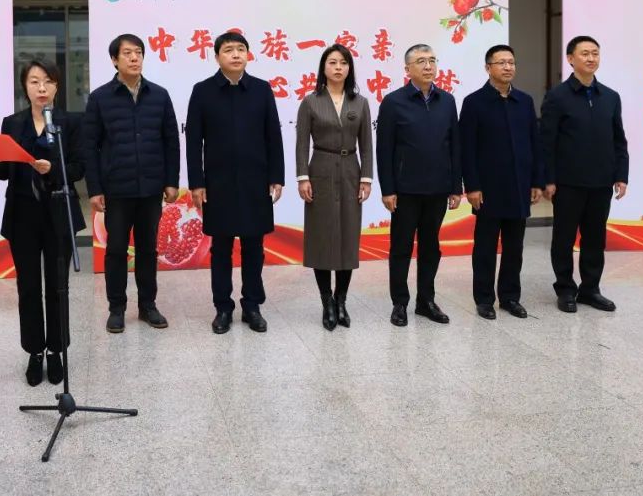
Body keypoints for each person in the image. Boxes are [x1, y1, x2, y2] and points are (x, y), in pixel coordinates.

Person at [0, 58, 85, 386]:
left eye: (48, 82)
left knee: (58, 286)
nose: (42, 88)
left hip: (58, 213)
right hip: (22, 215)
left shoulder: (70, 122)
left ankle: (56, 350)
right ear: (24, 87)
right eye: (34, 82)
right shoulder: (12, 124)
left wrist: (53, 169)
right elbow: (5, 171)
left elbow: (80, 166)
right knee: (28, 287)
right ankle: (34, 351)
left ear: (57, 86)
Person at [186, 31, 284, 335]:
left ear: (248, 55)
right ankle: (223, 308)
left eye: (241, 49)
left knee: (254, 246)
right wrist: (197, 182)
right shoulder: (202, 91)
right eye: (229, 50)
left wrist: (276, 177)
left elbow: (273, 135)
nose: (236, 54)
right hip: (218, 183)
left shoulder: (261, 89)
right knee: (221, 247)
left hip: (256, 181)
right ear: (217, 57)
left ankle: (252, 306)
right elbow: (193, 141)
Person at [84, 34, 180, 334]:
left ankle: (148, 305)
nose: (134, 58)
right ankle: (117, 308)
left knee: (148, 249)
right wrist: (95, 188)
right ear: (115, 59)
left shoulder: (159, 95)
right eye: (127, 53)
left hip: (151, 187)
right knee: (115, 249)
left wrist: (171, 181)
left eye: (138, 52)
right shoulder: (100, 98)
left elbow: (171, 141)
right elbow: (89, 146)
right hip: (117, 188)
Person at [541, 35, 628, 313]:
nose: (591, 58)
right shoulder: (557, 97)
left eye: (595, 53)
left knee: (595, 238)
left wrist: (621, 175)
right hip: (568, 183)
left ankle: (591, 289)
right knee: (564, 239)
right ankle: (566, 289)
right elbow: (547, 142)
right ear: (570, 59)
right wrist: (548, 179)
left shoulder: (610, 97)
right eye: (585, 54)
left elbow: (619, 140)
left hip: (601, 181)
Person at [376, 44, 462, 327]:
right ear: (407, 69)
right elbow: (384, 149)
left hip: (438, 188)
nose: (428, 66)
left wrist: (456, 186)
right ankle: (399, 303)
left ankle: (426, 301)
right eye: (421, 61)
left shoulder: (447, 101)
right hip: (405, 190)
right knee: (401, 248)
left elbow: (454, 145)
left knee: (430, 247)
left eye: (432, 60)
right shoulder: (393, 102)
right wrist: (388, 189)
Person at [460, 45, 544, 320]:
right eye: (501, 63)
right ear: (488, 68)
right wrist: (472, 186)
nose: (508, 67)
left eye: (511, 62)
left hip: (519, 185)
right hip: (488, 189)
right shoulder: (474, 102)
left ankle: (510, 297)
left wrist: (536, 181)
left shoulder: (524, 101)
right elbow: (467, 149)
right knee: (485, 247)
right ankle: (484, 299)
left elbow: (534, 143)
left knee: (514, 247)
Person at [295, 44, 373, 331]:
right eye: (332, 62)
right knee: (322, 236)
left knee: (347, 236)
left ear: (349, 68)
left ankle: (341, 301)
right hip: (321, 170)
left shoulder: (360, 102)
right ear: (323, 68)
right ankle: (326, 301)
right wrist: (303, 177)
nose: (338, 67)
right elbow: (301, 144)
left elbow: (367, 145)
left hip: (351, 170)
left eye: (343, 62)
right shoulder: (311, 102)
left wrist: (366, 178)